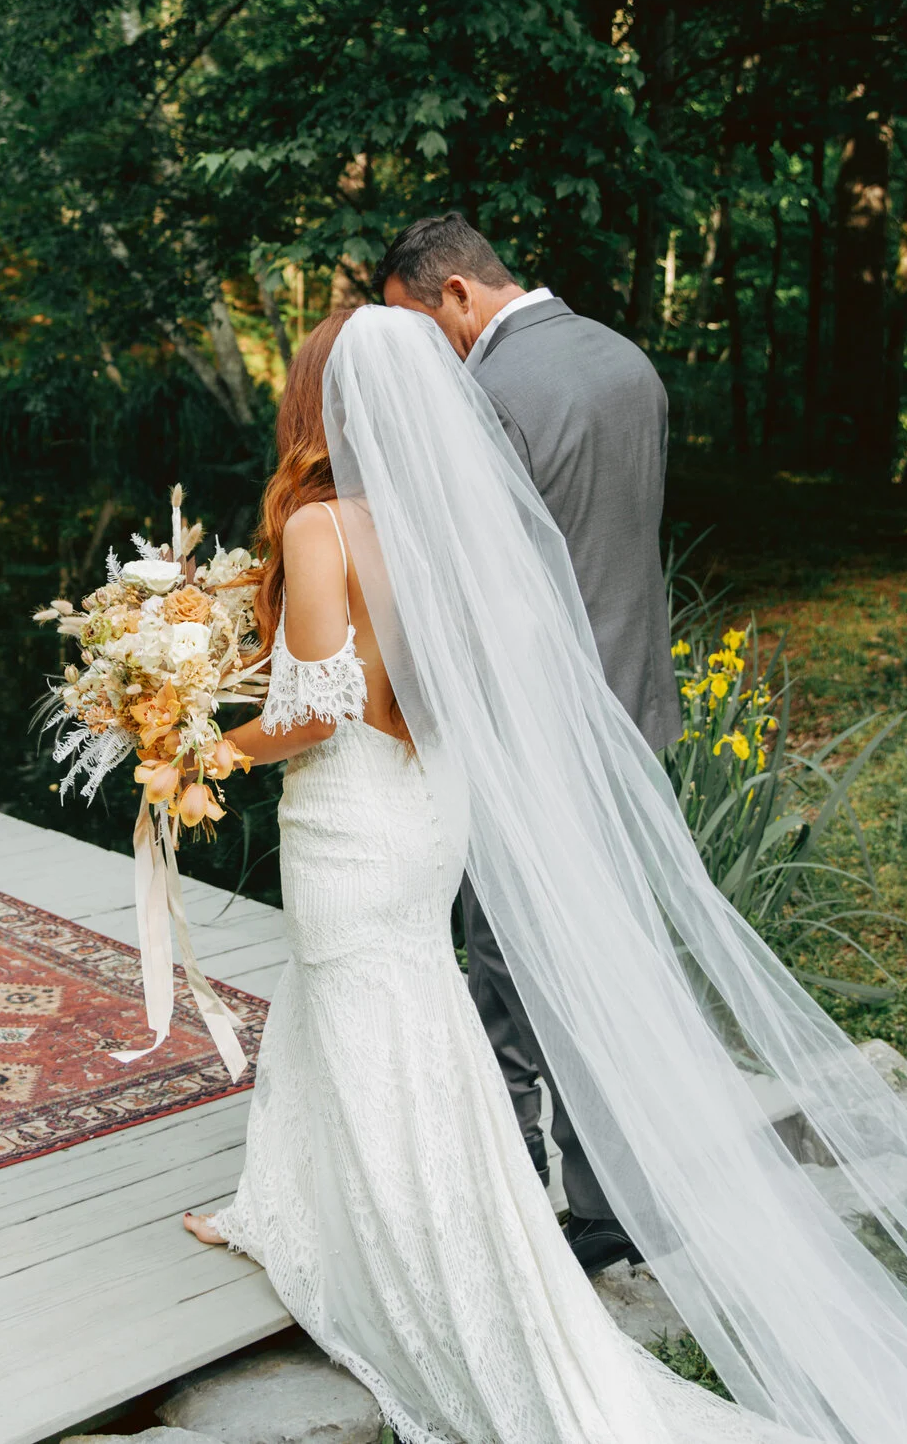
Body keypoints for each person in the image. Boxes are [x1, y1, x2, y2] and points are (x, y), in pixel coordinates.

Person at [185, 304, 907, 1444]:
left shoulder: (320, 525)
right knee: (391, 1002)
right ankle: (306, 1199)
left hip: (353, 815)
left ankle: (413, 1254)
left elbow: (316, 707)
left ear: (323, 399)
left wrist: (190, 740)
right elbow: (424, 676)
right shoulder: (448, 515)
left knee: (368, 1005)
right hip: (425, 803)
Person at [375, 212, 676, 1275]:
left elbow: (474, 586)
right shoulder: (623, 358)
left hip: (531, 726)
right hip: (631, 708)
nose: (423, 354)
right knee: (609, 956)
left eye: (420, 326)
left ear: (452, 294)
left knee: (513, 972)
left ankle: (532, 1205)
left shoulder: (485, 394)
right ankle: (620, 1186)